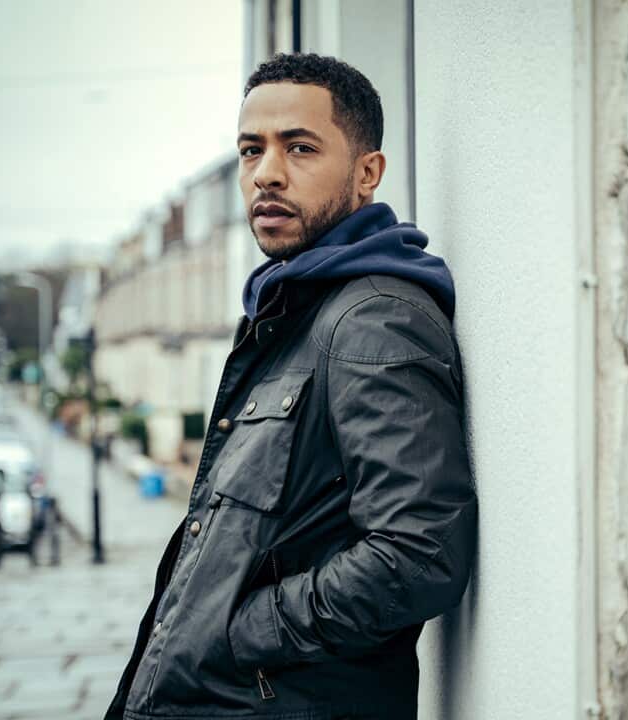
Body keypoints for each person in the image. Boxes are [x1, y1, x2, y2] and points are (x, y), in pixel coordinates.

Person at [106, 53, 477, 720]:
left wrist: (239, 631)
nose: (266, 173)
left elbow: (419, 554)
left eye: (299, 148)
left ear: (368, 174)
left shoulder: (373, 322)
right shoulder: (294, 315)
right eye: (252, 150)